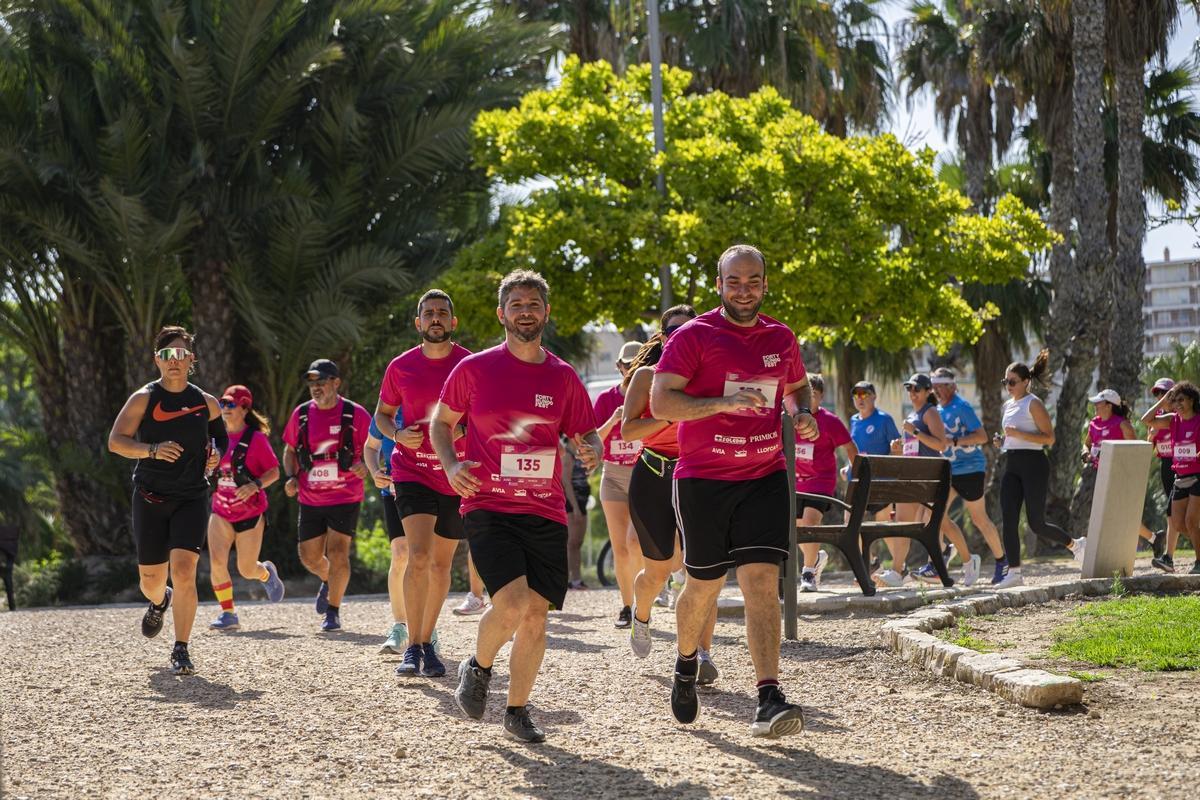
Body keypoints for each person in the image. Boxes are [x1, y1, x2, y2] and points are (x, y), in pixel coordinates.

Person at [651, 244, 814, 738]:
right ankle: (685, 662)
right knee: (704, 584)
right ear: (719, 285)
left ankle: (768, 695)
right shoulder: (695, 335)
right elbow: (662, 403)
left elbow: (798, 386)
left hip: (764, 476)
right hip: (703, 481)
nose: (745, 290)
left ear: (766, 283)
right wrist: (721, 403)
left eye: (754, 280)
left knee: (762, 583)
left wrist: (800, 413)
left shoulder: (781, 337)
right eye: (735, 282)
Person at [434, 269, 601, 743]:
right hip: (488, 504)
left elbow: (584, 432)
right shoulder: (473, 369)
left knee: (535, 615)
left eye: (533, 304)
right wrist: (449, 466)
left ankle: (517, 710)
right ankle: (479, 666)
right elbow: (441, 424)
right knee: (508, 604)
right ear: (501, 313)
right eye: (516, 304)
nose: (525, 311)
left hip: (544, 509)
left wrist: (594, 449)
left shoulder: (563, 376)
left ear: (545, 312)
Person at [107, 325, 226, 675]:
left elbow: (220, 439)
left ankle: (181, 648)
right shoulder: (144, 399)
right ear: (157, 360)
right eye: (166, 355)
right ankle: (160, 600)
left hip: (192, 495)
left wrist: (216, 454)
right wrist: (152, 450)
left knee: (186, 571)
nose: (174, 361)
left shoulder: (207, 403)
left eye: (180, 354)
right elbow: (116, 441)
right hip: (150, 497)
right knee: (150, 581)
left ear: (192, 360)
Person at [374, 289, 473, 678]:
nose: (435, 318)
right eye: (428, 313)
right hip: (412, 470)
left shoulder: (469, 364)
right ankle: (413, 647)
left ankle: (429, 640)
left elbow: (482, 415)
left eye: (442, 313)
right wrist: (397, 436)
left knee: (440, 564)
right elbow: (383, 415)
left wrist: (459, 431)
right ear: (418, 323)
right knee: (417, 556)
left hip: (454, 474)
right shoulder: (400, 367)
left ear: (453, 322)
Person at [622, 305, 720, 684]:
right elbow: (629, 431)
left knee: (702, 572)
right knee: (659, 570)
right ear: (663, 338)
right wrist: (671, 414)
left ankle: (702, 653)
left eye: (690, 329)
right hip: (653, 476)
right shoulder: (647, 377)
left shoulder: (709, 380)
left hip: (698, 475)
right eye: (675, 330)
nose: (682, 335)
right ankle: (641, 614)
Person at [282, 359, 372, 633]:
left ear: (336, 383)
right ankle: (328, 579)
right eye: (312, 384)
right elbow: (289, 451)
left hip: (345, 495)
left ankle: (332, 612)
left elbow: (376, 447)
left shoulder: (355, 414)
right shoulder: (301, 414)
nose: (316, 389)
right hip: (310, 498)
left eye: (321, 383)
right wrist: (292, 477)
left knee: (338, 552)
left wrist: (367, 466)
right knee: (309, 557)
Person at [877, 373, 980, 588]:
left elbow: (941, 445)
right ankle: (897, 571)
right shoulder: (913, 415)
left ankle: (969, 560)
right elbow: (914, 451)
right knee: (903, 524)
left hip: (932, 479)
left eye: (916, 389)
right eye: (909, 389)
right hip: (912, 477)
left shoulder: (930, 412)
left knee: (939, 523)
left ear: (927, 391)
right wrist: (897, 450)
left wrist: (914, 431)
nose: (912, 393)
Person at [991, 351, 1083, 588]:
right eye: (1005, 382)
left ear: (1025, 382)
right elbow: (1011, 434)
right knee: (1008, 519)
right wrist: (1002, 441)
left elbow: (1049, 438)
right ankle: (1014, 572)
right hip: (1011, 463)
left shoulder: (1034, 403)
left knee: (1036, 523)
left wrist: (1017, 434)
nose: (1008, 386)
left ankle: (1075, 545)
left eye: (1012, 382)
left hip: (1034, 465)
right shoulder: (1007, 405)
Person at [917, 368, 1007, 585]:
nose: (937, 390)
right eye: (934, 386)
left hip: (970, 470)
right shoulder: (936, 410)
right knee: (933, 516)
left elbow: (982, 436)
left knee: (979, 519)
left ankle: (1002, 562)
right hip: (948, 471)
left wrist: (954, 442)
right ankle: (938, 559)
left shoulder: (962, 407)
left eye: (941, 385)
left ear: (952, 386)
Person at [207, 385, 285, 631]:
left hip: (250, 513)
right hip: (221, 509)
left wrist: (255, 486)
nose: (225, 409)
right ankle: (228, 613)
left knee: (246, 569)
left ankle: (266, 574)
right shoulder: (212, 436)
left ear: (244, 408)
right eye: (222, 404)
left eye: (230, 405)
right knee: (217, 562)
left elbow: (274, 471)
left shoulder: (256, 439)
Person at [592, 341, 645, 628]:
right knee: (620, 547)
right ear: (619, 367)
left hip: (642, 473)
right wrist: (614, 420)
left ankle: (645, 596)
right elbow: (591, 440)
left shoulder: (651, 395)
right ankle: (627, 605)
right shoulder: (605, 399)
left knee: (635, 542)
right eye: (626, 365)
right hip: (612, 473)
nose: (630, 370)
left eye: (636, 364)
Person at [793, 374, 857, 592]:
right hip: (795, 484)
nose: (809, 399)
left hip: (820, 482)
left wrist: (855, 475)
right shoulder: (792, 418)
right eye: (805, 394)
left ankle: (808, 573)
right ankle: (816, 558)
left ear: (821, 398)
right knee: (797, 530)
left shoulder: (830, 421)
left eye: (814, 395)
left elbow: (850, 447)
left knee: (810, 523)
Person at [1141, 381, 1200, 574]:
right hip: (1179, 476)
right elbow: (1146, 419)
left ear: (1192, 399)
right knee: (1178, 524)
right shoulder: (1172, 420)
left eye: (1181, 400)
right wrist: (1163, 402)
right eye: (1175, 401)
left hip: (1197, 475)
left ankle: (1198, 563)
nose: (1178, 404)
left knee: (1191, 521)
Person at [364, 413, 409, 653]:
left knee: (425, 559)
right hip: (393, 492)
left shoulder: (432, 402)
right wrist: (374, 472)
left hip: (429, 490)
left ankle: (428, 630)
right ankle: (400, 627)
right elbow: (370, 447)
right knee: (401, 554)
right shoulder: (386, 412)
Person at [1148, 378, 1176, 571]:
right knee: (1173, 511)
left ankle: (1168, 556)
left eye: (1164, 393)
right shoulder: (1156, 416)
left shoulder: (1180, 415)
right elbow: (1150, 442)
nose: (1161, 397)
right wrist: (1150, 436)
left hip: (1184, 464)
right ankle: (1168, 557)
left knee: (1175, 511)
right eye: (1158, 393)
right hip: (1166, 464)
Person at [562, 436, 592, 590]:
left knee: (577, 543)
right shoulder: (567, 454)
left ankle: (577, 579)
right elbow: (566, 482)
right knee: (571, 543)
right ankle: (567, 580)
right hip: (572, 504)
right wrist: (575, 508)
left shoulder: (581, 453)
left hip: (582, 501)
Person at [0, 524, 17, 611]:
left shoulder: (9, 543)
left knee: (7, 574)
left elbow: (12, 554)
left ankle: (12, 606)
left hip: (5, 565)